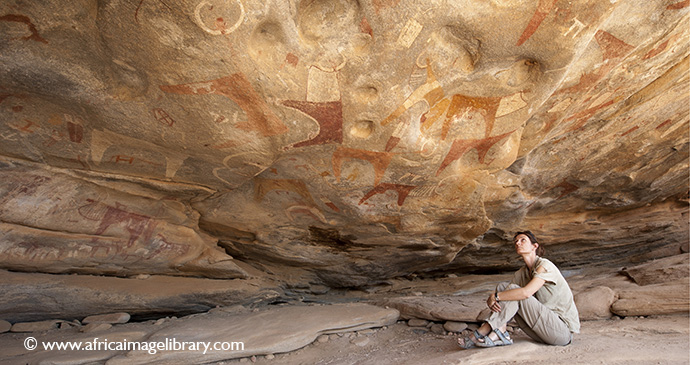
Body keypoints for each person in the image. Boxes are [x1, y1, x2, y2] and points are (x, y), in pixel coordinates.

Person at [457, 231, 580, 348]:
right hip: (538, 331)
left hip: (561, 333)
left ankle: (483, 331)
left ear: (534, 246)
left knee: (513, 292)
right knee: (503, 288)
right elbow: (506, 298)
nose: (518, 243)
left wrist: (495, 296)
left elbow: (526, 293)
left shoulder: (545, 266)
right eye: (516, 241)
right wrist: (495, 297)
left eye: (523, 240)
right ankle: (501, 331)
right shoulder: (521, 273)